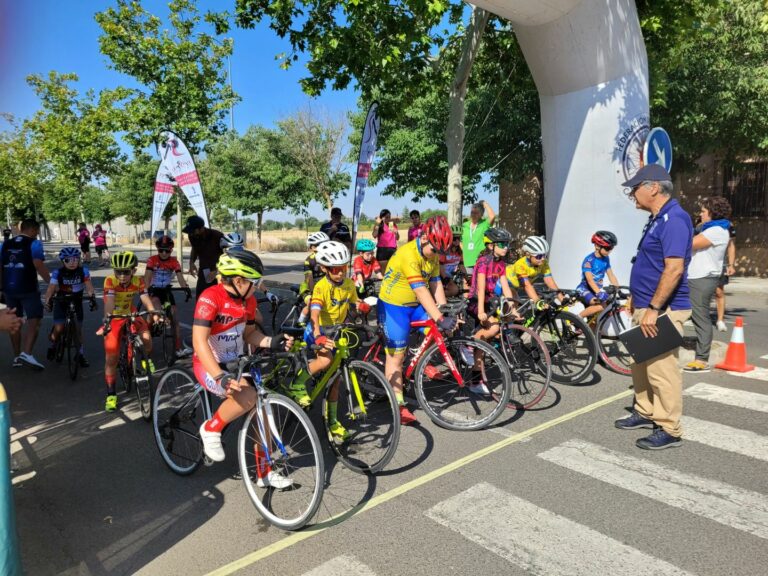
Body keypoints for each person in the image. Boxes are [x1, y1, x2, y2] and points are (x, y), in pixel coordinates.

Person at [195, 249, 294, 486]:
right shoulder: (210, 298)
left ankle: (264, 472)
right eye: (254, 281)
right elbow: (199, 341)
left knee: (263, 409)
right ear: (239, 281)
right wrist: (219, 376)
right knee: (249, 396)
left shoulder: (247, 300)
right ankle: (211, 428)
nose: (257, 285)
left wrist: (273, 341)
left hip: (236, 362)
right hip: (210, 364)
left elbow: (250, 333)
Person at [614, 164, 692, 450]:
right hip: (646, 305)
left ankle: (669, 428)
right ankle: (645, 410)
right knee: (641, 365)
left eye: (635, 188)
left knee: (662, 370)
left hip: (662, 310)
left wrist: (654, 308)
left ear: (654, 187)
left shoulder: (674, 219)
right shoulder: (657, 218)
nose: (632, 193)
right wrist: (637, 298)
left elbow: (673, 269)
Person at [284, 241, 371, 440]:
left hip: (337, 331)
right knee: (325, 361)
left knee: (336, 380)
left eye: (343, 268)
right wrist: (318, 336)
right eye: (335, 269)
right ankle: (297, 383)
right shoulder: (321, 287)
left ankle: (332, 421)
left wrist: (361, 305)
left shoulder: (348, 283)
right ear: (324, 268)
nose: (340, 273)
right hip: (319, 330)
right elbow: (314, 315)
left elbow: (353, 301)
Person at [378, 215, 455, 425]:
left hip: (415, 306)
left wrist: (445, 312)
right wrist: (439, 317)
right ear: (423, 239)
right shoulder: (408, 254)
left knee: (436, 334)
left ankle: (419, 361)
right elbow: (421, 289)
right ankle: (399, 404)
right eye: (435, 250)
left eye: (440, 252)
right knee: (396, 357)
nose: (436, 255)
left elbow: (436, 283)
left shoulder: (432, 254)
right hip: (394, 307)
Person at [100, 251, 162, 412]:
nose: (121, 276)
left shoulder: (139, 281)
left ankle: (143, 359)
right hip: (114, 315)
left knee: (147, 338)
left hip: (131, 312)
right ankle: (111, 394)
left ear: (133, 271)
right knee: (112, 356)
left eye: (126, 271)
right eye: (118, 271)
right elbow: (110, 302)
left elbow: (145, 299)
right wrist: (107, 318)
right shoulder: (110, 281)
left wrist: (153, 313)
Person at [684, 196, 733, 373]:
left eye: (704, 212)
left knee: (700, 315)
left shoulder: (717, 231)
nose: (701, 215)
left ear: (712, 213)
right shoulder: (711, 229)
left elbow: (689, 244)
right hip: (697, 276)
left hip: (703, 277)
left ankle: (702, 359)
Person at [469, 227, 518, 394]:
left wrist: (513, 308)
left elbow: (506, 288)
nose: (506, 247)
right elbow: (480, 289)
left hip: (490, 302)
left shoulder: (501, 263)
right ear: (491, 245)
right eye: (502, 244)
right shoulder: (483, 261)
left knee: (484, 343)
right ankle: (467, 344)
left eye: (507, 244)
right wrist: (481, 311)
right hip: (476, 301)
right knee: (492, 329)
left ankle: (475, 382)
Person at [0, 219, 51, 369]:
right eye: (37, 231)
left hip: (9, 289)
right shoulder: (35, 244)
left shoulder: (5, 244)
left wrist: (1, 288)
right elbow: (38, 264)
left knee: (13, 322)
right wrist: (51, 282)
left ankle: (16, 357)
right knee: (34, 320)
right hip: (28, 288)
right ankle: (26, 353)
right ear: (34, 230)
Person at [43, 247, 97, 366]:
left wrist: (92, 298)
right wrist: (48, 300)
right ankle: (53, 344)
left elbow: (89, 287)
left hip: (76, 302)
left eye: (75, 260)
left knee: (77, 330)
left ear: (79, 260)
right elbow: (51, 289)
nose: (72, 263)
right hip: (61, 301)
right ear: (63, 261)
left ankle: (80, 355)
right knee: (59, 329)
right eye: (68, 260)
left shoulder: (84, 271)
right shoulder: (58, 273)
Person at [144, 235, 193, 358]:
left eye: (167, 250)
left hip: (166, 291)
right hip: (154, 290)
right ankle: (146, 335)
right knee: (155, 310)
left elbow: (180, 278)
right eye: (161, 250)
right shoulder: (152, 260)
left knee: (175, 318)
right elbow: (148, 277)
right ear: (157, 249)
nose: (164, 253)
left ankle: (177, 348)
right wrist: (146, 289)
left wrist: (185, 288)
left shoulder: (174, 262)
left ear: (171, 250)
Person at [575, 231, 621, 319]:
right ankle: (576, 320)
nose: (610, 251)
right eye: (608, 248)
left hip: (595, 290)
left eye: (611, 248)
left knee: (594, 324)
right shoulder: (589, 260)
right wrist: (599, 293)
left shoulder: (606, 258)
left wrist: (618, 289)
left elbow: (611, 275)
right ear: (597, 246)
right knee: (600, 306)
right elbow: (590, 280)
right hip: (584, 289)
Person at [506, 236, 563, 303]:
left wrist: (562, 299)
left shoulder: (543, 262)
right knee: (512, 304)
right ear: (528, 255)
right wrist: (538, 301)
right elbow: (527, 285)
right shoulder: (520, 265)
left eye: (544, 255)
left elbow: (549, 280)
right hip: (506, 282)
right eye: (539, 256)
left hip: (517, 286)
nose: (543, 259)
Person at [183, 215, 225, 299]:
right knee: (201, 297)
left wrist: (217, 271)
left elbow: (228, 255)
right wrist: (191, 262)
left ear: (201, 228)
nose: (190, 233)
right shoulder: (192, 236)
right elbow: (194, 248)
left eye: (193, 231)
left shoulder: (217, 236)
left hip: (219, 273)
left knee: (219, 298)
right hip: (204, 270)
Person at [298, 231, 331, 325]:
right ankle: (300, 322)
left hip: (323, 285)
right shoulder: (309, 260)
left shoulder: (328, 258)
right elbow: (309, 278)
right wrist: (314, 293)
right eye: (319, 245)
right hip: (309, 287)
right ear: (312, 247)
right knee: (311, 304)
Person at [461, 201, 496, 275]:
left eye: (476, 213)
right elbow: (460, 241)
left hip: (480, 261)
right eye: (472, 212)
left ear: (481, 214)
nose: (473, 215)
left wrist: (485, 204)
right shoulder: (464, 225)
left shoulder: (484, 224)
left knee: (479, 283)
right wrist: (464, 251)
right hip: (467, 261)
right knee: (467, 283)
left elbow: (492, 216)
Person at [715, 224, 737, 332]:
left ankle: (720, 320)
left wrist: (731, 265)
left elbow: (731, 245)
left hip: (720, 263)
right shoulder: (702, 222)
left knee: (719, 291)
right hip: (702, 263)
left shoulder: (728, 226)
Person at [440, 225, 466, 297]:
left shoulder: (459, 252)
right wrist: (445, 278)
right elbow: (440, 266)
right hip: (442, 276)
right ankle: (433, 297)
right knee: (454, 290)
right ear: (449, 238)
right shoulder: (444, 250)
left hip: (451, 276)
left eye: (459, 238)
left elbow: (461, 265)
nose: (457, 241)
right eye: (455, 238)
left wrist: (467, 278)